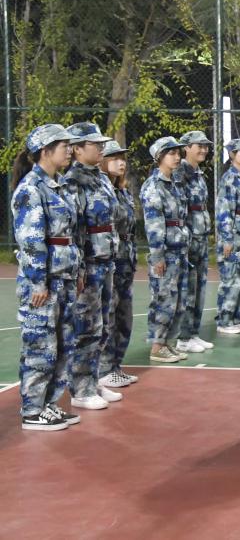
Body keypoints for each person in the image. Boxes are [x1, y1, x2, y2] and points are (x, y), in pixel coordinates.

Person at [12, 124, 80, 431]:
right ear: (45, 151)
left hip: (63, 277)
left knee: (62, 344)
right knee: (40, 346)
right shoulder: (31, 189)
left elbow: (69, 235)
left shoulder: (59, 185)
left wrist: (76, 270)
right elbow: (31, 241)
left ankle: (49, 404)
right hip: (44, 282)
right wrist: (38, 281)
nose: (69, 150)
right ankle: (32, 410)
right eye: (64, 146)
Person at [62, 122, 122, 410]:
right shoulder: (73, 182)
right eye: (94, 144)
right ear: (76, 149)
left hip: (105, 259)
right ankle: (81, 388)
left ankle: (93, 379)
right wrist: (79, 269)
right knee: (86, 326)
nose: (100, 148)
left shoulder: (99, 178)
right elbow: (73, 228)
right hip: (88, 262)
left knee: (103, 324)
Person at [141, 136, 191, 365]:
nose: (177, 157)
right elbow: (154, 224)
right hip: (166, 251)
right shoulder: (153, 186)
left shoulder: (174, 184)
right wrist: (157, 255)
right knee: (164, 299)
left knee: (179, 300)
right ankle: (157, 345)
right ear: (159, 157)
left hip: (179, 249)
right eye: (171, 153)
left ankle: (168, 342)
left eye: (178, 153)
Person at [97, 140, 138, 389]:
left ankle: (115, 365)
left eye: (122, 158)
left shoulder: (122, 191)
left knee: (124, 315)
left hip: (125, 258)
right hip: (110, 258)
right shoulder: (102, 191)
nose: (121, 163)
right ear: (103, 161)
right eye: (114, 158)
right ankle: (104, 368)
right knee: (108, 315)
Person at [175, 131, 216, 354]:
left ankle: (193, 333)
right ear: (186, 148)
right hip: (189, 237)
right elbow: (180, 208)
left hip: (201, 237)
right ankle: (183, 337)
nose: (203, 150)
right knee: (188, 289)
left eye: (205, 146)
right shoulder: (180, 173)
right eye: (199, 146)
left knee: (200, 288)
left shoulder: (198, 173)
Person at [215, 139, 240, 335]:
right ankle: (224, 320)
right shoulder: (228, 179)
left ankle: (236, 317)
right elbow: (224, 211)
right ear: (232, 155)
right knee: (231, 279)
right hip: (233, 234)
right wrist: (227, 238)